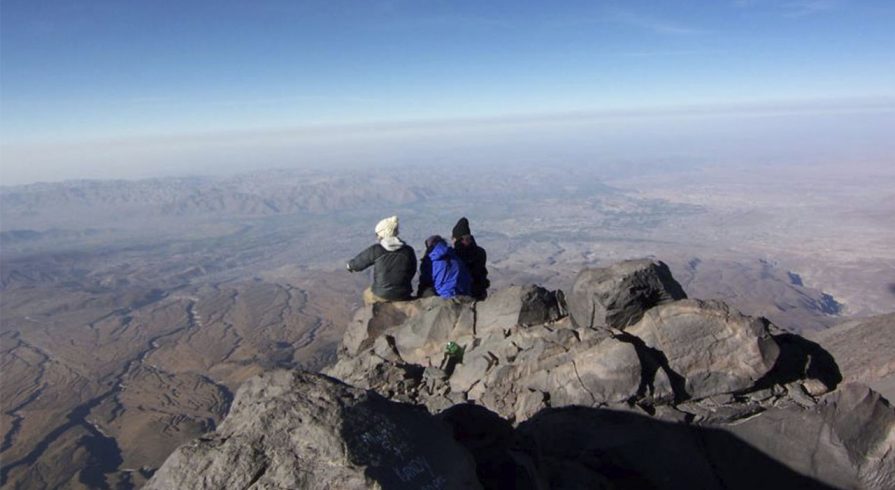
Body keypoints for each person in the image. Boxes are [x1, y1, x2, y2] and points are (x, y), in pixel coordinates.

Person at [347, 216, 416, 304]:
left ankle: (373, 312)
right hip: (403, 294)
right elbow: (412, 271)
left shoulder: (376, 250)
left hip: (381, 294)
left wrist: (350, 265)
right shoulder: (408, 251)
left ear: (383, 233)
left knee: (367, 294)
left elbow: (358, 264)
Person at [451, 217, 490, 300]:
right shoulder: (480, 252)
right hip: (480, 294)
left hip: (464, 296)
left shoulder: (455, 255)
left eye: (453, 239)